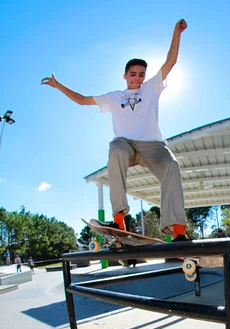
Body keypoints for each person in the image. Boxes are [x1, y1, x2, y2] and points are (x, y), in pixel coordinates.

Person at [41, 20, 188, 242]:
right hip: (126, 144)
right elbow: (81, 100)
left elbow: (171, 61)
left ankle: (178, 230)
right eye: (132, 74)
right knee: (116, 149)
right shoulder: (113, 97)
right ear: (125, 75)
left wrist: (176, 33)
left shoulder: (152, 88)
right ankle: (119, 218)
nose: (137, 78)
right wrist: (58, 85)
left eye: (141, 74)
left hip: (153, 145)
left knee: (172, 166)